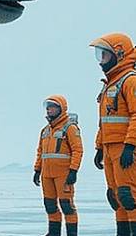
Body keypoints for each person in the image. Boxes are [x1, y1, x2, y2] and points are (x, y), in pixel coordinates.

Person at [92, 33, 136, 236]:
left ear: (118, 53)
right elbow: (104, 122)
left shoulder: (130, 81)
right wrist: (99, 147)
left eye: (104, 55)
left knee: (129, 196)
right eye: (99, 55)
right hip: (110, 148)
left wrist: (130, 146)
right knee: (115, 196)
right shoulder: (109, 84)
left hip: (125, 148)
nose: (101, 61)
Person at [35, 94, 82, 236]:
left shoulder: (70, 128)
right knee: (50, 205)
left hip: (63, 174)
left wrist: (73, 171)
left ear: (61, 108)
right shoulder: (45, 131)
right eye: (48, 107)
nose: (49, 110)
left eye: (52, 107)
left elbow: (77, 150)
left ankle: (72, 234)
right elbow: (40, 152)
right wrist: (37, 170)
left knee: (66, 205)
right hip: (47, 175)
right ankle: (53, 233)